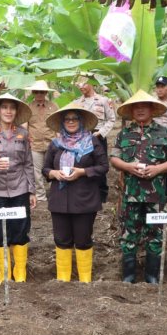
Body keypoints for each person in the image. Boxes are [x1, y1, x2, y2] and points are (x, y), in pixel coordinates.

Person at [109, 90, 167, 284]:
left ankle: (152, 277)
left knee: (156, 234)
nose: (140, 110)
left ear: (152, 109)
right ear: (131, 110)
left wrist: (158, 169)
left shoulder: (165, 133)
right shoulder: (124, 133)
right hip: (130, 194)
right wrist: (128, 167)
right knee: (129, 234)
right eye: (136, 107)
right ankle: (128, 277)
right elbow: (114, 159)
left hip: (156, 196)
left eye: (144, 106)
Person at [43, 104, 108, 283]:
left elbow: (104, 167)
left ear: (81, 121)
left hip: (84, 199)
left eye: (75, 119)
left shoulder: (92, 142)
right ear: (62, 123)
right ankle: (62, 280)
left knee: (83, 239)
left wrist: (82, 172)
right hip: (59, 200)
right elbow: (45, 168)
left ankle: (85, 280)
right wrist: (54, 173)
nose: (71, 122)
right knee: (61, 239)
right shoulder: (55, 144)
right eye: (67, 119)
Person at [0, 93, 36, 284]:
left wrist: (31, 190)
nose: (8, 111)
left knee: (20, 230)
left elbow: (28, 164)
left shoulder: (23, 134)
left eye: (12, 108)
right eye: (5, 107)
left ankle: (20, 273)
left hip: (19, 189)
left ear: (16, 112)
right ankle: (4, 273)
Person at [75, 74, 116, 203]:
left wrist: (100, 133)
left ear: (92, 84)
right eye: (79, 84)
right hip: (82, 138)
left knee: (100, 165)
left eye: (84, 83)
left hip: (98, 137)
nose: (81, 86)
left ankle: (102, 196)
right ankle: (86, 194)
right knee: (83, 165)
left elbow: (111, 119)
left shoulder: (103, 100)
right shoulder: (77, 102)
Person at [25, 80, 59, 203]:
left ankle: (54, 194)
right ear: (33, 92)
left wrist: (60, 141)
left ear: (45, 92)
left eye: (42, 92)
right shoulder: (28, 107)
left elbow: (58, 124)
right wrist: (26, 140)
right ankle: (40, 196)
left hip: (52, 143)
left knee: (53, 169)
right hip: (35, 145)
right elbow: (25, 126)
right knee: (37, 172)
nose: (39, 94)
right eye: (37, 92)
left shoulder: (54, 106)